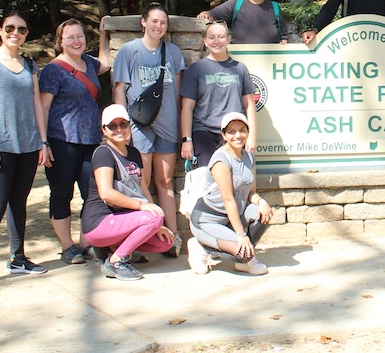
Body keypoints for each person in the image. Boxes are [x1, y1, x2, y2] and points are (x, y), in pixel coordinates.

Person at [0, 10, 50, 291]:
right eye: (10, 28)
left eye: (22, 29)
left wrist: (43, 141)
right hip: (0, 146)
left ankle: (18, 258)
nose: (16, 33)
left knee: (19, 202)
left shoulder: (29, 65)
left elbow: (37, 104)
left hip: (27, 145)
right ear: (0, 29)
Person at [112, 2, 185, 257]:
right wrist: (122, 126)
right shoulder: (129, 51)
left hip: (167, 126)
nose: (158, 26)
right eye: (154, 21)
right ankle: (144, 239)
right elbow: (119, 89)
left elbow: (176, 92)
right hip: (139, 126)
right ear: (143, 22)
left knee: (164, 181)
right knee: (140, 182)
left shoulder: (173, 53)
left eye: (163, 22)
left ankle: (172, 237)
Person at [39, 17, 112, 264]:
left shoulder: (89, 63)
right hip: (62, 140)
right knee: (61, 193)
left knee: (91, 194)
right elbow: (44, 108)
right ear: (60, 42)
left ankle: (86, 243)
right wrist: (43, 142)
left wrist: (104, 34)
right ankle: (67, 245)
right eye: (70, 37)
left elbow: (106, 63)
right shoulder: (53, 70)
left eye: (80, 36)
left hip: (90, 140)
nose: (76, 41)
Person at [81, 105, 175, 281]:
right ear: (104, 130)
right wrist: (144, 208)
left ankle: (111, 249)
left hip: (123, 218)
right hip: (99, 222)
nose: (119, 129)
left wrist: (155, 221)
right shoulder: (103, 153)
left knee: (164, 242)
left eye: (123, 124)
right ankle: (116, 261)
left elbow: (142, 188)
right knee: (153, 217)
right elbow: (106, 193)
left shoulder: (133, 153)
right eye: (112, 126)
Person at [187, 112, 273, 275]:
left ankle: (245, 259)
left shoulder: (249, 157)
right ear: (224, 135)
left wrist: (261, 201)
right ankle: (202, 247)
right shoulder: (221, 159)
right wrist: (241, 235)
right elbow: (228, 200)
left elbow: (250, 194)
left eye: (242, 130)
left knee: (264, 214)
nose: (238, 135)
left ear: (248, 132)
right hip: (208, 219)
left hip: (231, 217)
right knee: (243, 252)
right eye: (231, 132)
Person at [180, 21, 257, 168]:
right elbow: (187, 108)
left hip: (233, 133)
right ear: (205, 41)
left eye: (221, 37)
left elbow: (249, 105)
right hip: (204, 132)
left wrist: (252, 136)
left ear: (228, 39)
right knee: (210, 180)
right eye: (212, 37)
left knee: (235, 179)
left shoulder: (240, 69)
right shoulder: (196, 70)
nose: (216, 41)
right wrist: (186, 140)